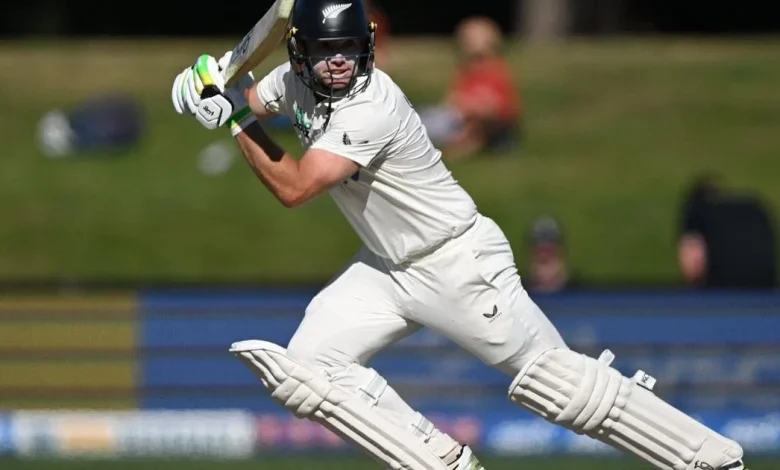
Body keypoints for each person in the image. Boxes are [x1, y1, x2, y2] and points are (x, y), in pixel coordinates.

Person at [170, 1, 748, 469]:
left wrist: (235, 120)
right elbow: (244, 98)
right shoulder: (294, 81)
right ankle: (439, 460)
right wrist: (207, 87)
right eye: (326, 51)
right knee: (307, 371)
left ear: (366, 47)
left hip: (457, 262)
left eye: (349, 48)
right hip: (386, 268)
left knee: (557, 384)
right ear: (301, 55)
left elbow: (294, 187)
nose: (340, 62)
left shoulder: (371, 105)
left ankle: (706, 457)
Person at [419, 16, 521, 161]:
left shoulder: (497, 72)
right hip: (456, 118)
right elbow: (453, 99)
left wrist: (470, 108)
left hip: (483, 123)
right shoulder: (466, 71)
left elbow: (499, 107)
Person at [678, 175, 776, 289]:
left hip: (716, 294)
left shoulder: (697, 213)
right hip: (764, 292)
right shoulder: (756, 211)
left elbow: (693, 266)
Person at [525, 215, 574, 293]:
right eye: (541, 260)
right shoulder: (514, 297)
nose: (546, 271)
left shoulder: (585, 295)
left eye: (551, 256)